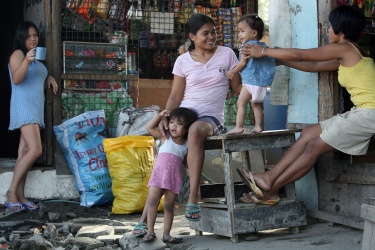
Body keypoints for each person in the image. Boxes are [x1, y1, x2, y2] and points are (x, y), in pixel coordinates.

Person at [237, 5, 375, 204]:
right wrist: (282, 61)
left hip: (368, 114)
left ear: (341, 30)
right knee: (309, 133)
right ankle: (269, 186)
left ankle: (270, 183)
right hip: (362, 113)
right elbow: (314, 65)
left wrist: (266, 51)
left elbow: (302, 55)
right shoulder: (348, 53)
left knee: (313, 148)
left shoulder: (345, 48)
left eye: (330, 26)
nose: (327, 30)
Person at [158, 13, 242, 221]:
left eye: (214, 32)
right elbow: (176, 95)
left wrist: (257, 86)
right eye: (205, 33)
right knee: (167, 144)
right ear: (192, 36)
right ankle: (148, 218)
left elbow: (238, 87)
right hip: (184, 115)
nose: (211, 37)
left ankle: (193, 197)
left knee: (194, 131)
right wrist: (165, 117)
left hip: (211, 118)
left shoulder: (227, 54)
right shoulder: (182, 61)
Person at [5, 21, 58, 212]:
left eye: (35, 35)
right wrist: (27, 60)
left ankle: (20, 196)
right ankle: (11, 192)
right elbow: (17, 80)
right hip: (24, 108)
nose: (33, 38)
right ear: (21, 38)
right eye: (28, 36)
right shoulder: (18, 54)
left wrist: (49, 78)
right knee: (36, 151)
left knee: (23, 153)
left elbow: (34, 82)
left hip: (34, 108)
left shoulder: (35, 58)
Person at [140, 107, 198, 243]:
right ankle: (150, 232)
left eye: (179, 123)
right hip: (158, 176)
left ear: (187, 128)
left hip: (173, 179)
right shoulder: (165, 137)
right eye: (172, 122)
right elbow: (149, 127)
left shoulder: (186, 145)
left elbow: (187, 163)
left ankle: (166, 235)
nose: (174, 126)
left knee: (168, 206)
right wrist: (160, 116)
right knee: (153, 202)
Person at [226, 14, 276, 134]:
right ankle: (258, 126)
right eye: (239, 31)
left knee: (240, 103)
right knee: (256, 104)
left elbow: (243, 62)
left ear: (253, 33)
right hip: (261, 83)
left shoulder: (246, 47)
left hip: (250, 82)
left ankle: (239, 126)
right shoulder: (263, 47)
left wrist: (233, 71)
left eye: (242, 31)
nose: (239, 35)